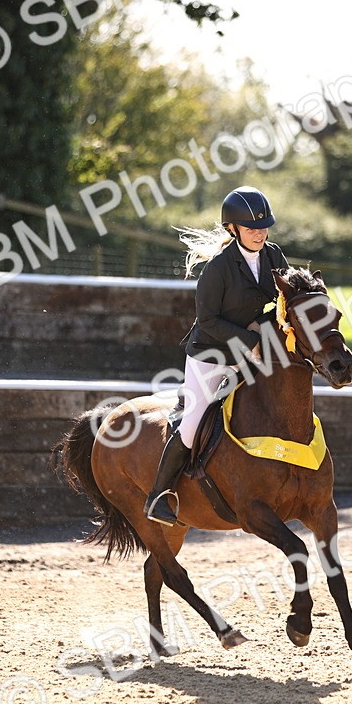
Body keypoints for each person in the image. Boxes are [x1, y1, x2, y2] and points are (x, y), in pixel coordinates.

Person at [144, 186, 289, 526]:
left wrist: (262, 326)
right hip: (211, 355)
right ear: (232, 229)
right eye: (251, 227)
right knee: (193, 426)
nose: (259, 232)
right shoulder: (219, 269)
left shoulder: (274, 257)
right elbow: (207, 320)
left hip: (250, 350)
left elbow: (284, 305)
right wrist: (250, 337)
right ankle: (158, 497)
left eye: (264, 225)